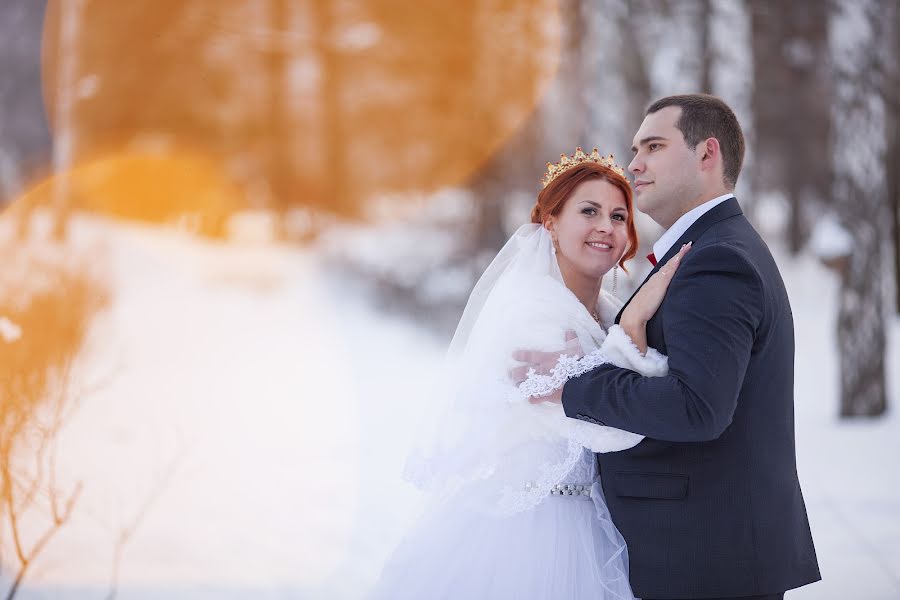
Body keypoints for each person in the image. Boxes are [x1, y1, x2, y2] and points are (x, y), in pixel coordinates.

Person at [519, 94, 821, 600]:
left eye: (654, 146)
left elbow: (696, 407)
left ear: (707, 154)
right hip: (699, 550)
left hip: (704, 557)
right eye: (636, 148)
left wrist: (570, 384)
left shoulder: (718, 260)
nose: (634, 163)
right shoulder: (709, 250)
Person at [368, 148, 689, 599]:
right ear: (551, 223)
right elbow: (611, 429)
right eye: (589, 211)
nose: (606, 227)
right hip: (530, 531)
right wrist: (635, 330)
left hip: (593, 520)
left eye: (619, 216)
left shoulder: (609, 313)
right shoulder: (532, 315)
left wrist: (629, 327)